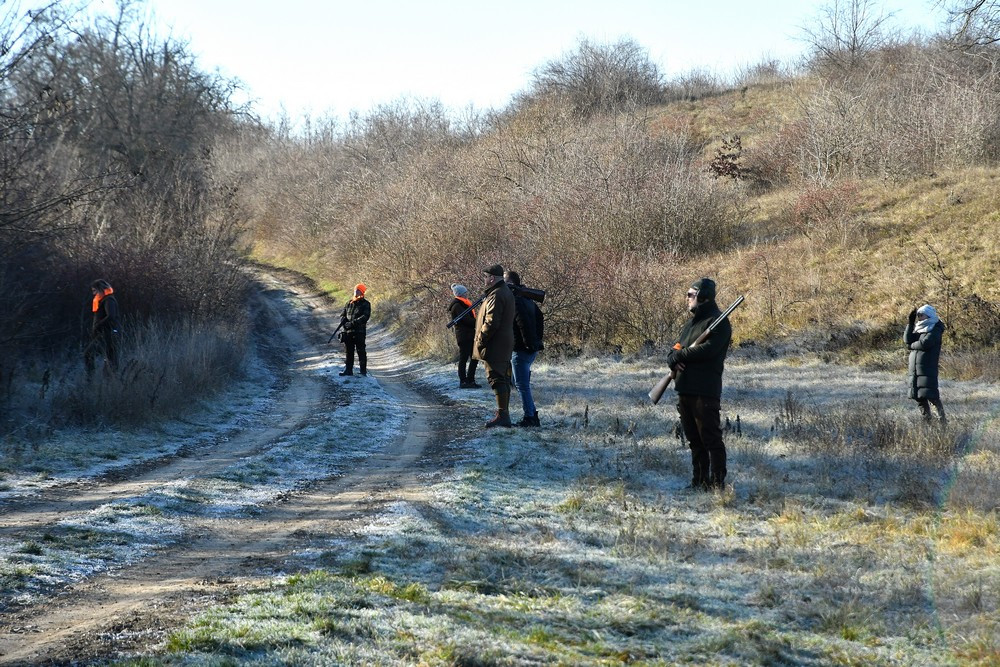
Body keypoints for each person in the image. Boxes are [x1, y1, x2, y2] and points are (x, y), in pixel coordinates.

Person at [666, 277, 732, 491]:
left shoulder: (719, 323)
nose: (687, 298)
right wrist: (672, 358)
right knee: (694, 440)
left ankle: (717, 486)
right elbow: (676, 348)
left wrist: (680, 355)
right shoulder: (691, 324)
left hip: (704, 391)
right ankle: (699, 482)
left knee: (711, 440)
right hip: (685, 389)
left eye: (690, 295)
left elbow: (708, 350)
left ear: (703, 297)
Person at [473, 264, 515, 428]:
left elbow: (491, 322)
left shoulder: (497, 295)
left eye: (486, 277)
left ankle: (503, 416)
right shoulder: (502, 292)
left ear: (492, 278)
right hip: (501, 343)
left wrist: (480, 340)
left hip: (495, 344)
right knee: (502, 378)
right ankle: (503, 414)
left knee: (497, 378)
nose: (484, 279)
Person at [506, 269, 544, 427]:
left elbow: (522, 323)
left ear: (510, 284)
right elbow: (540, 318)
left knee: (522, 385)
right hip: (528, 348)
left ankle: (530, 417)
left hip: (521, 349)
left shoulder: (517, 300)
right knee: (521, 383)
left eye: (505, 283)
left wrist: (529, 343)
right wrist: (536, 341)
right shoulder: (527, 300)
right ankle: (531, 414)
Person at [904, 304, 946, 424]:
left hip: (927, 368)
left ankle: (942, 421)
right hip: (915, 369)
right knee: (919, 397)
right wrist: (910, 323)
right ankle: (927, 422)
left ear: (929, 315)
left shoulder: (935, 328)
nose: (919, 317)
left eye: (921, 315)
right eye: (918, 315)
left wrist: (911, 346)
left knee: (932, 396)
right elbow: (907, 339)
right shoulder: (919, 328)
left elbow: (925, 343)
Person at [86, 278, 122, 375]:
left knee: (89, 354)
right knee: (109, 358)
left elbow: (111, 316)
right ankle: (110, 379)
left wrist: (98, 325)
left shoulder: (109, 300)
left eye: (95, 290)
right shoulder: (103, 300)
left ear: (100, 289)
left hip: (109, 333)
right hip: (104, 333)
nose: (94, 293)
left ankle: (91, 378)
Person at [448, 284, 480, 388]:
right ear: (460, 294)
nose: (467, 294)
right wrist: (479, 322)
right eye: (465, 293)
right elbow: (466, 320)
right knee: (464, 359)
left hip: (469, 335)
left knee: (474, 358)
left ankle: (470, 380)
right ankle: (464, 381)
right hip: (464, 336)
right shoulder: (457, 306)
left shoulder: (462, 304)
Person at [340, 283, 371, 376]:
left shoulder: (366, 304)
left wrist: (352, 323)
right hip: (348, 332)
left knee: (361, 351)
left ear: (362, 292)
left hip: (359, 332)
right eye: (355, 290)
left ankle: (363, 371)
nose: (356, 292)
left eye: (358, 291)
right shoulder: (349, 303)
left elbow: (365, 317)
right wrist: (343, 320)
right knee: (349, 352)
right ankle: (348, 370)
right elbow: (343, 314)